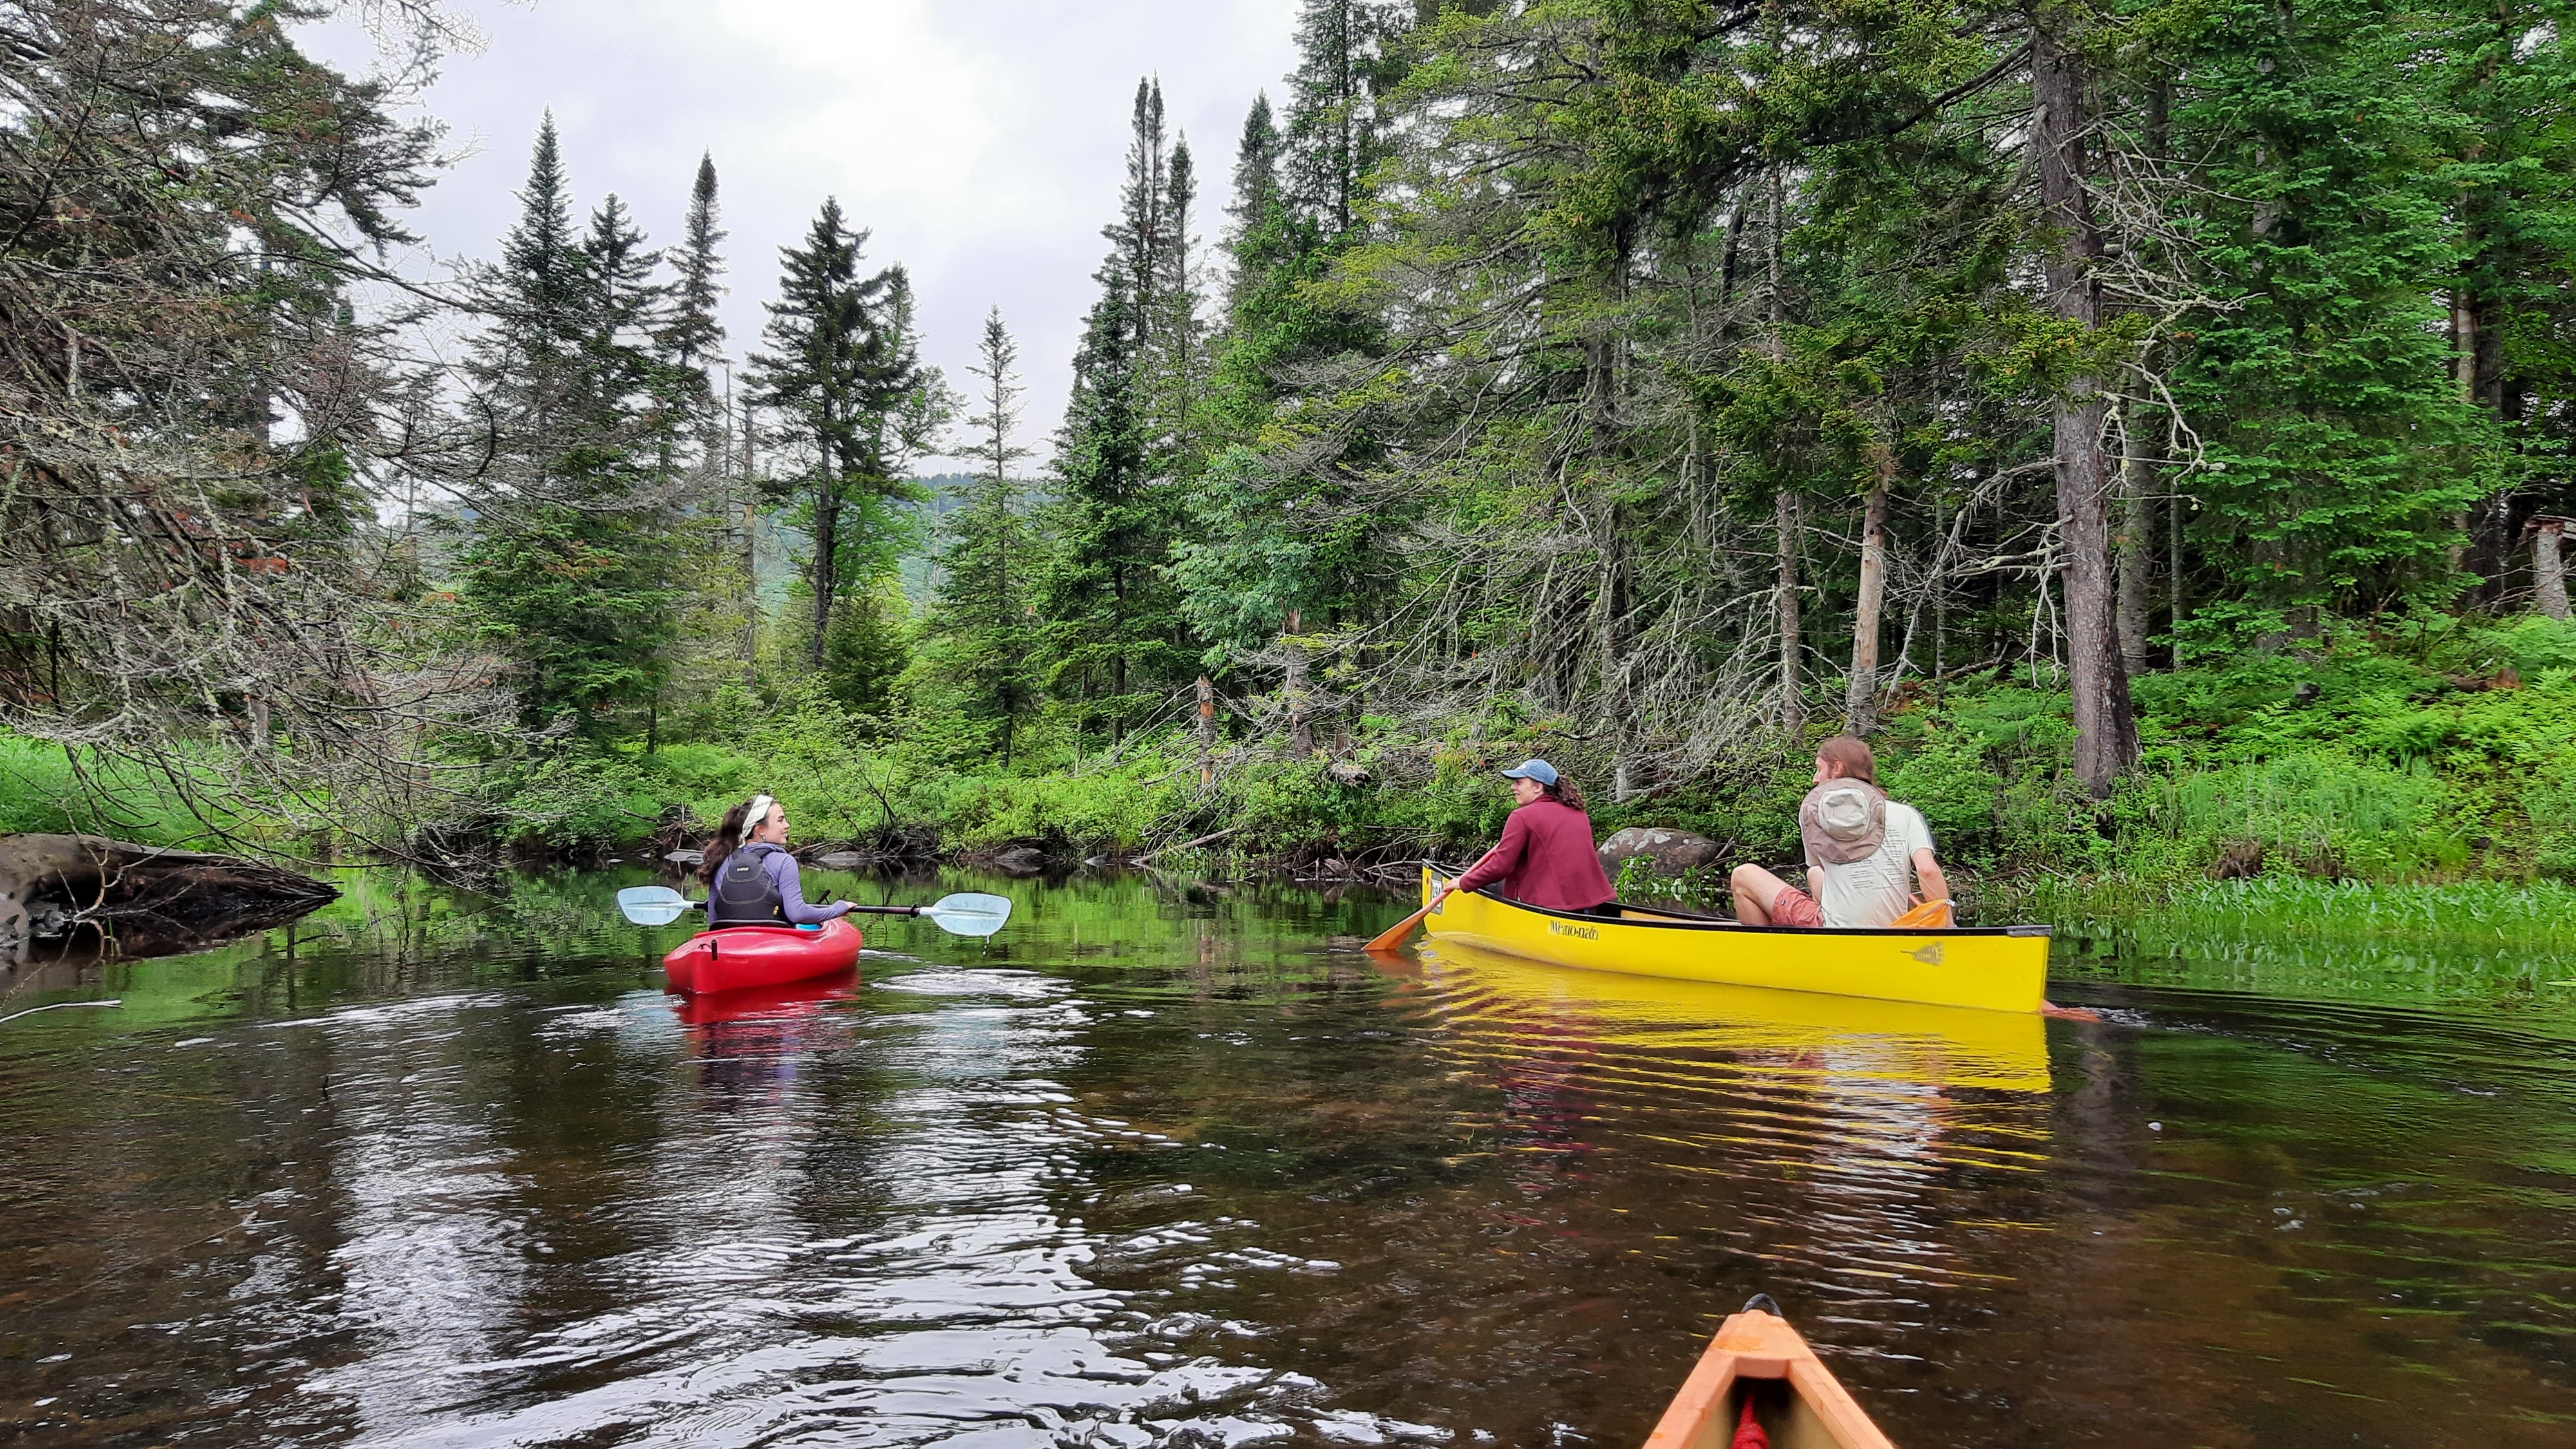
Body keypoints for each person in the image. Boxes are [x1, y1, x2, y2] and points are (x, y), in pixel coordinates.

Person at [1730, 735, 1949, 929]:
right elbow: (1927, 870)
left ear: (1837, 768)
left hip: (1836, 932)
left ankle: (1769, 956)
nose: (1815, 779)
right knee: (1814, 874)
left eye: (1819, 768)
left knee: (1743, 875)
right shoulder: (1905, 814)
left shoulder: (1814, 815)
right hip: (1893, 929)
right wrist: (1947, 925)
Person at [1430, 759, 1620, 916]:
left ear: (1538, 787)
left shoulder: (1522, 817)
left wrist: (1464, 882)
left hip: (1548, 908)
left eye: (1519, 782)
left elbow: (1500, 867)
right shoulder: (1578, 813)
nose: (1513, 787)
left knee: (1491, 885)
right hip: (1591, 905)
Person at [698, 794, 858, 928]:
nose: (787, 825)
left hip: (729, 945)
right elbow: (797, 913)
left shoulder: (721, 860)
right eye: (781, 820)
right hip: (774, 945)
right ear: (760, 830)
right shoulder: (784, 861)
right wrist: (838, 908)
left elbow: (714, 921)